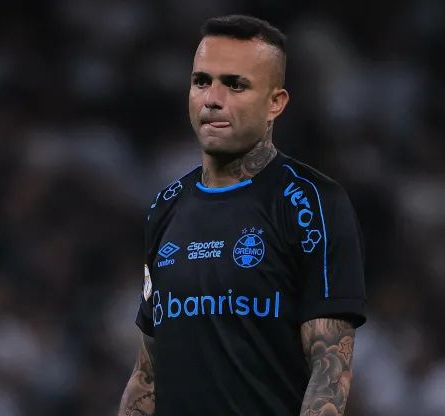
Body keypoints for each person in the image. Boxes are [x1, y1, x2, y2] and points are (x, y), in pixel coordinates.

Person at [118, 14, 366, 416]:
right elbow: (148, 373)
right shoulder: (166, 207)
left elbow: (330, 368)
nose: (212, 99)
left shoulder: (310, 202)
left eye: (235, 84)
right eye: (202, 81)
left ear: (275, 103)